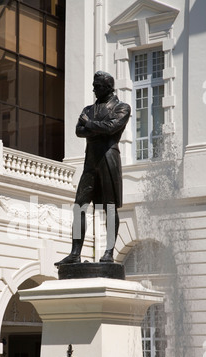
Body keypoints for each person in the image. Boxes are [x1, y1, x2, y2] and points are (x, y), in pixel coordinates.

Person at [55, 71, 131, 266]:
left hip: (108, 159)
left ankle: (108, 252)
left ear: (107, 87)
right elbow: (79, 131)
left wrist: (90, 125)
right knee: (79, 206)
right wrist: (98, 128)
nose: (93, 89)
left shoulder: (122, 107)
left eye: (97, 86)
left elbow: (112, 127)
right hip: (91, 162)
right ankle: (75, 253)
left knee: (110, 208)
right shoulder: (89, 108)